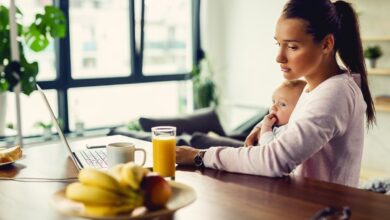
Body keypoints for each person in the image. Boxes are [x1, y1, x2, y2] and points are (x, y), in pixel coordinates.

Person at [176, 0, 375, 187]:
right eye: (278, 44)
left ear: (326, 44)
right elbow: (299, 126)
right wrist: (262, 126)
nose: (279, 57)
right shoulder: (315, 87)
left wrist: (200, 155)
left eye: (292, 46)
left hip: (324, 211)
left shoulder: (336, 92)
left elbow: (275, 160)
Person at [255, 79, 306, 147]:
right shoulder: (277, 122)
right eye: (273, 101)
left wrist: (266, 127)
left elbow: (268, 149)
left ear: (298, 110)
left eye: (282, 104)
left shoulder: (288, 132)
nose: (273, 107)